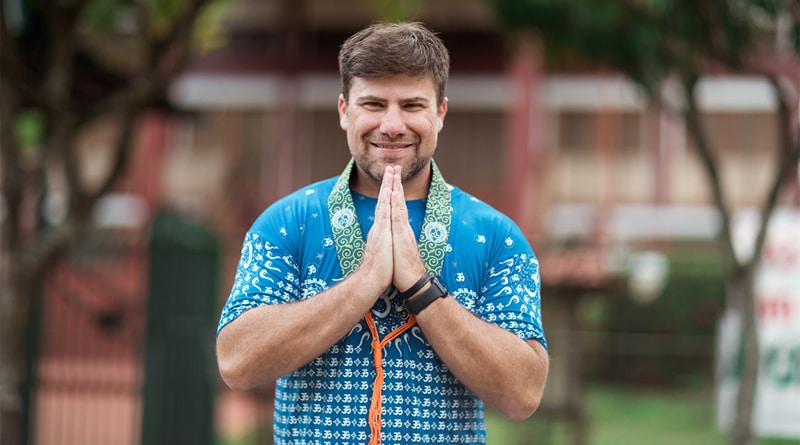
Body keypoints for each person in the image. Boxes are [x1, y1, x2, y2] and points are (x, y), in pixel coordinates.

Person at [215, 21, 549, 444]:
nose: (392, 125)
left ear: (440, 113)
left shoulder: (496, 236)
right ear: (344, 110)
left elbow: (524, 394)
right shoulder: (286, 223)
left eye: (412, 105)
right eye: (373, 104)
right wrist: (365, 281)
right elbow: (236, 362)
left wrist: (419, 283)